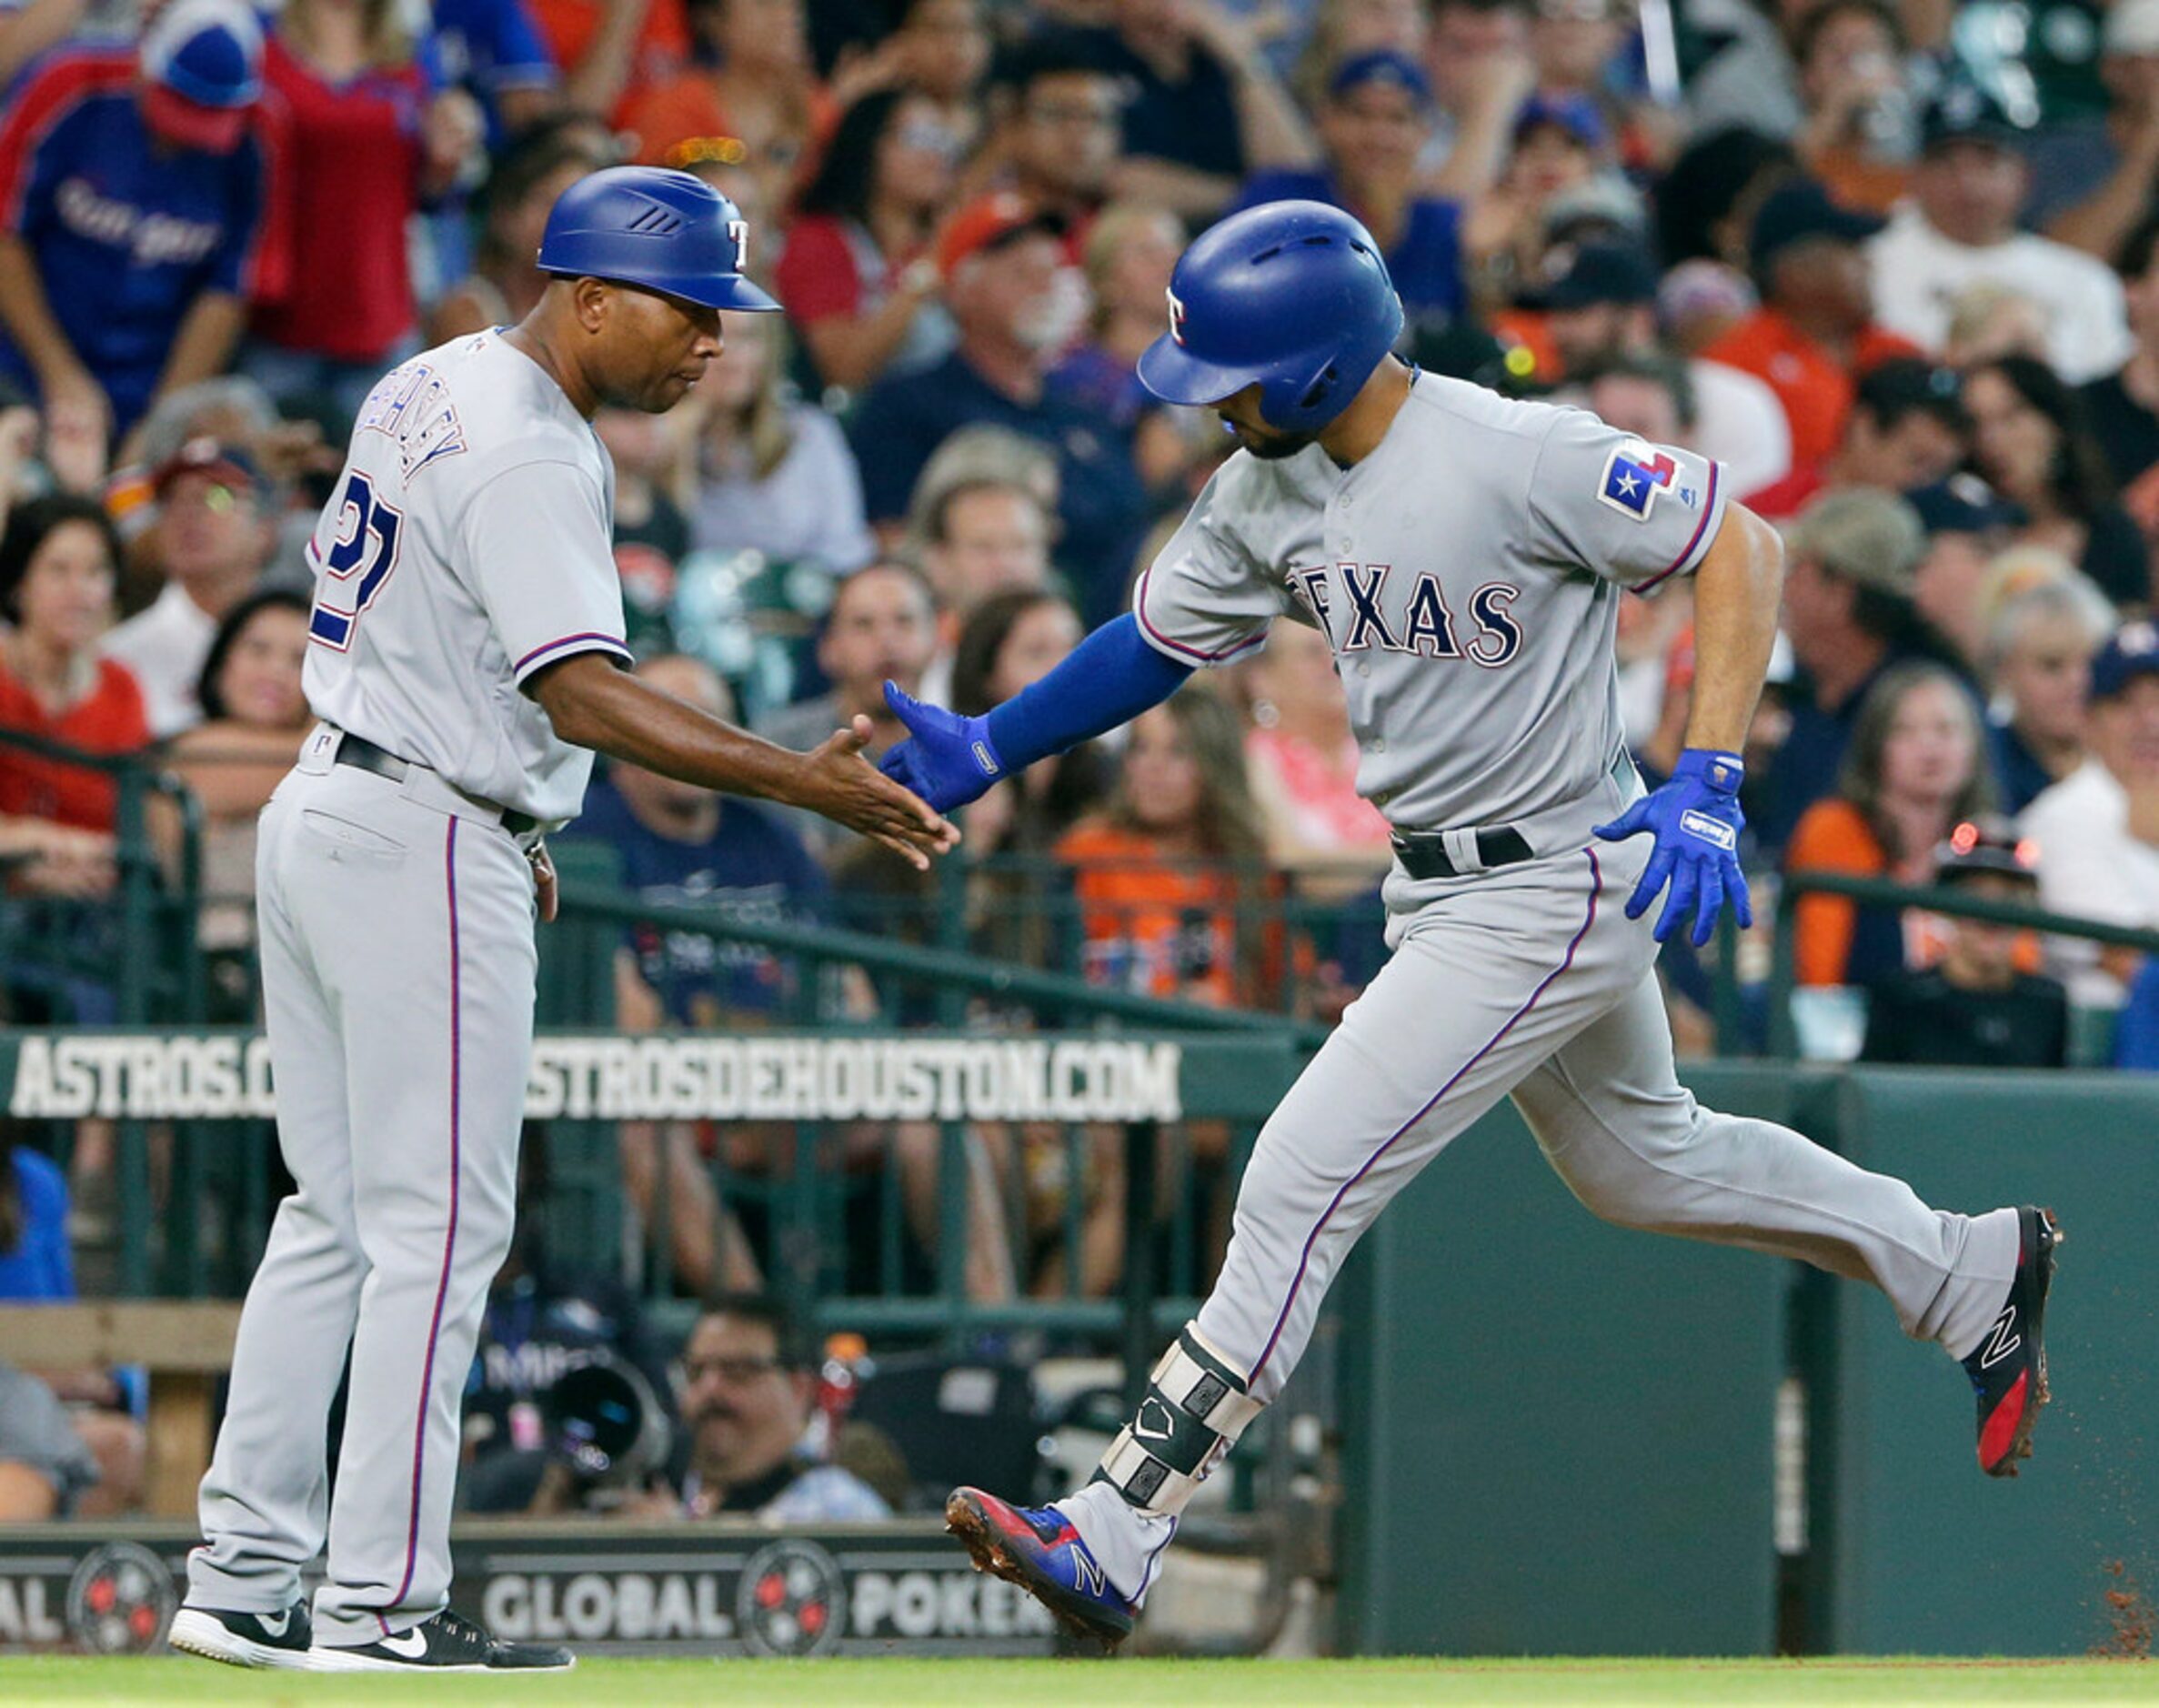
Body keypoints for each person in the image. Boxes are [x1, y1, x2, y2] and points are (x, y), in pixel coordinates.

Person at [872, 201, 2055, 1646]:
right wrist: (993, 742)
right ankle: (1963, 1265)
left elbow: (1739, 542)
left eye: (1232, 377)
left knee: (1300, 1172)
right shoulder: (1267, 485)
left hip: (1553, 872)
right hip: (1440, 881)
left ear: (1314, 365)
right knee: (1640, 1163)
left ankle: (1117, 1523)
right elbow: (1154, 640)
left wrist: (1712, 770)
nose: (1211, 407)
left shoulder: (1511, 449)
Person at [168, 166, 954, 1676]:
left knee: (334, 1218)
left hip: (340, 799)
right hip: (416, 827)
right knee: (436, 1231)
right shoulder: (531, 445)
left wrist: (523, 807)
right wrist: (805, 783)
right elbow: (578, 687)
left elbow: (463, 653)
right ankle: (378, 1601)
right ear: (587, 295)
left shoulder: (434, 373)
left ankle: (245, 1568)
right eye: (686, 307)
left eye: (725, 315)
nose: (712, 343)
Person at [847, 193, 1149, 628]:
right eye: (1022, 274)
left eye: (1053, 272)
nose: (1045, 288)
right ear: (962, 291)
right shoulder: (907, 406)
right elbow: (897, 547)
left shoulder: (1084, 413)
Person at [0, 0, 285, 447]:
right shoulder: (71, 84)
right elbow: (6, 234)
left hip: (151, 372)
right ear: (146, 65)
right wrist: (60, 374)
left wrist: (159, 424)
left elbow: (229, 288)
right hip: (23, 357)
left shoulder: (259, 135)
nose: (181, 131)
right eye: (178, 103)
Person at [244, 0, 485, 423]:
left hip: (378, 312)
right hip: (278, 314)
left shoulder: (414, 52)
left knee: (378, 479)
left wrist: (447, 158)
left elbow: (432, 194)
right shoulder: (257, 39)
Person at [1865, 85, 2131, 387]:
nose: (1968, 182)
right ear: (1915, 176)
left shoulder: (2084, 280)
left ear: (2024, 175)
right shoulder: (1871, 268)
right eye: (1946, 163)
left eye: (1988, 161)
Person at [1783, 660, 1997, 989]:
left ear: (1975, 749)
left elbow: (2016, 969)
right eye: (1905, 730)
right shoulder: (1833, 829)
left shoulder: (1992, 845)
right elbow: (1820, 975)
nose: (1930, 748)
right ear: (1874, 748)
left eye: (1946, 730)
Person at [1760, 487, 1946, 855]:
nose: (1785, 589)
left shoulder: (1926, 706)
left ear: (1840, 592)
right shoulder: (1792, 692)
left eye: (1799, 571)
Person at [1698, 176, 1917, 479]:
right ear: (1796, 273)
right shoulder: (1734, 365)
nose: (1868, 264)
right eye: (1850, 250)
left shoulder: (1899, 352)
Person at [0, 495, 144, 907]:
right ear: (18, 584)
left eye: (96, 572)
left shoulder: (123, 689)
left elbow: (131, 829)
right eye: (59, 570)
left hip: (90, 912)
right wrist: (32, 845)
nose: (79, 591)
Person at [772, 87, 959, 393]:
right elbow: (844, 373)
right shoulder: (819, 241)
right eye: (918, 137)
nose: (935, 154)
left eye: (943, 139)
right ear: (868, 144)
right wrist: (920, 280)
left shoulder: (934, 244)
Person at [2021, 618, 2159, 1010]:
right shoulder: (2063, 816)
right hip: (2107, 1051)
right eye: (2125, 704)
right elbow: (2129, 959)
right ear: (2089, 722)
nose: (2150, 722)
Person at [651, 1295, 889, 1521]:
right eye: (696, 1371)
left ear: (799, 1389)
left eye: (737, 1372)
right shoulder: (656, 1491)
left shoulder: (841, 1510)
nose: (710, 1388)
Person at [99, 438, 276, 738]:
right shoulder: (119, 660)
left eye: (217, 497)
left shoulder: (305, 648)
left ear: (265, 531)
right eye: (171, 500)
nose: (188, 515)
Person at [1860, 817, 2068, 1069]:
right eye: (1974, 894)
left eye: (2009, 897)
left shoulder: (2047, 1004)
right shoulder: (1902, 999)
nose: (1991, 915)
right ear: (1946, 906)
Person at [681, 306, 874, 571]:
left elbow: (846, 548)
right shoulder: (656, 442)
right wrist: (682, 437)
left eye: (745, 338)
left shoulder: (811, 434)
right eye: (711, 340)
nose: (730, 359)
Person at [1963, 355, 2151, 608]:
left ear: (2054, 424)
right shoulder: (1963, 536)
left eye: (2010, 417)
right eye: (1976, 424)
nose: (1991, 440)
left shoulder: (2112, 534)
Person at [1983, 570, 2115, 814]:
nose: (2078, 682)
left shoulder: (2136, 760)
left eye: (2093, 663)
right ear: (2005, 672)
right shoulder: (1981, 763)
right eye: (2052, 665)